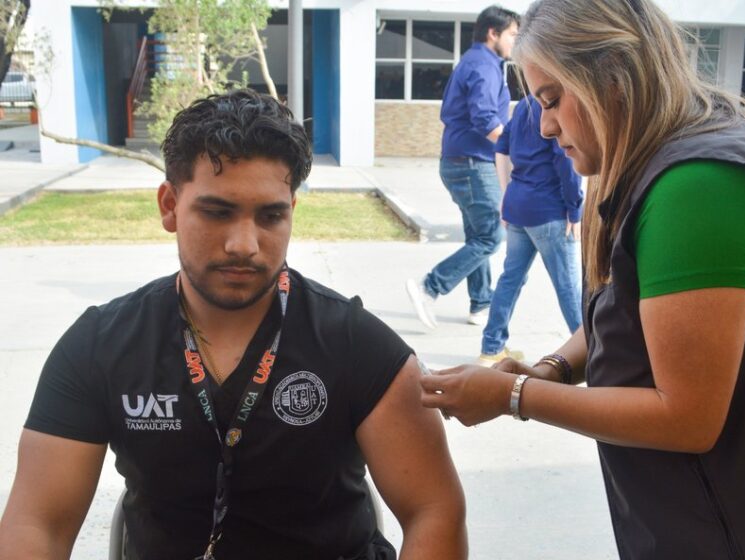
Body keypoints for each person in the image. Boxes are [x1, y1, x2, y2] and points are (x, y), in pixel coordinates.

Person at [421, 1, 745, 558]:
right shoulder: (647, 162)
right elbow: (624, 308)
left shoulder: (700, 185)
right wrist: (552, 368)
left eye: (552, 100)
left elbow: (687, 416)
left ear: (614, 78)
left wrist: (515, 395)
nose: (545, 125)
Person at [0, 90, 467, 560]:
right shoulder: (98, 347)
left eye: (270, 216)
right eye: (218, 212)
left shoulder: (360, 348)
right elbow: (37, 525)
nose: (244, 244)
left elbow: (434, 510)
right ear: (169, 206)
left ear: (291, 214)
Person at [406, 5, 520, 330]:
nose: (516, 41)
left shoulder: (479, 63)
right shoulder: (483, 67)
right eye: (512, 35)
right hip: (472, 164)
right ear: (492, 33)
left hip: (463, 161)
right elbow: (485, 117)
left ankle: (480, 303)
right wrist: (517, 146)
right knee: (490, 237)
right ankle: (430, 286)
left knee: (478, 234)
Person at [478, 94, 583, 365]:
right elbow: (565, 163)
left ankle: (491, 349)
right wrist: (575, 208)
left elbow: (501, 149)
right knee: (568, 286)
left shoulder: (523, 106)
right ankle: (594, 354)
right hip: (549, 210)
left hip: (518, 207)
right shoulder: (554, 108)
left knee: (510, 279)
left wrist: (505, 196)